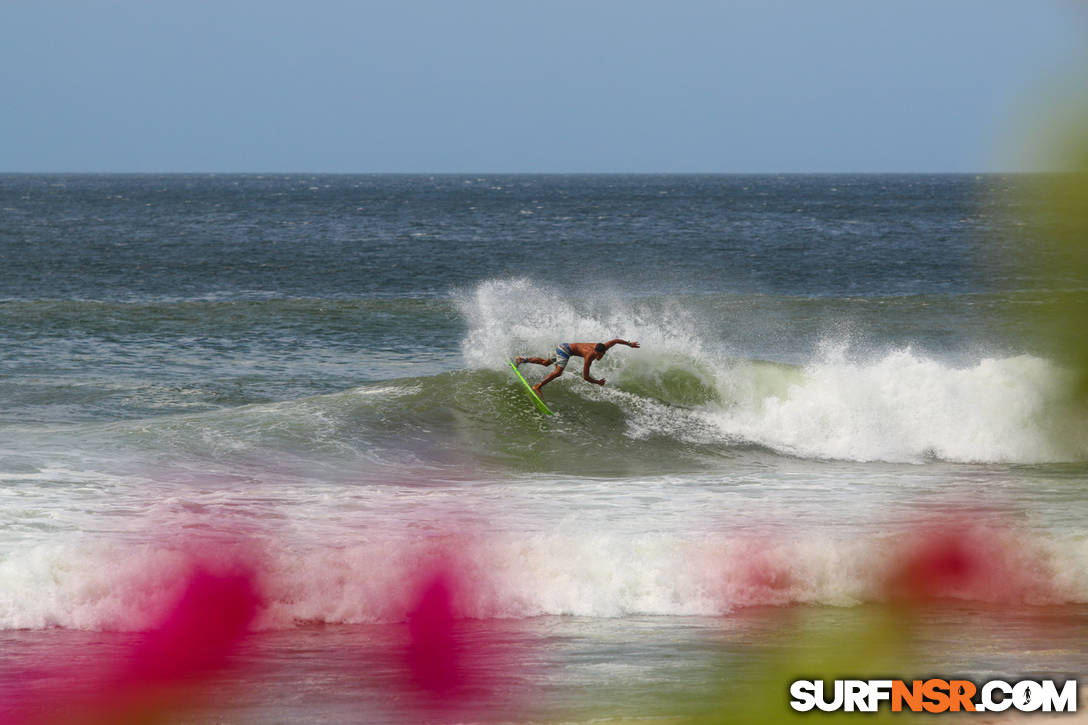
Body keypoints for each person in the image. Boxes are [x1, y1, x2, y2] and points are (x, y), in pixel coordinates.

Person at [515, 339, 640, 396]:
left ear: (604, 351)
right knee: (558, 372)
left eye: (599, 355)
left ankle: (522, 360)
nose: (597, 357)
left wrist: (629, 344)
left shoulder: (604, 346)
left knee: (545, 362)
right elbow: (585, 377)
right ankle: (537, 387)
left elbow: (616, 341)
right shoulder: (588, 356)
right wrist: (597, 382)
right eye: (596, 355)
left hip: (562, 346)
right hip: (565, 350)